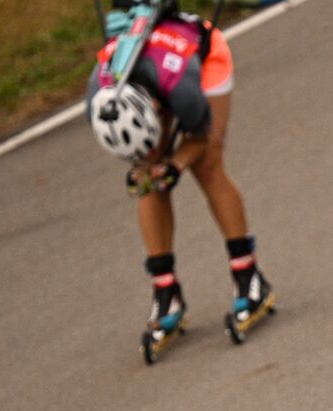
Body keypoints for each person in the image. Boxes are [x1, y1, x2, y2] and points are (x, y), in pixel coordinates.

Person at [86, 1, 272, 347]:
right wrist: (149, 167)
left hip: (198, 57)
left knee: (208, 166)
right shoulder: (99, 93)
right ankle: (165, 289)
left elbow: (204, 138)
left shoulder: (183, 93)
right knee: (150, 182)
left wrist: (175, 164)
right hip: (145, 74)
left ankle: (248, 275)